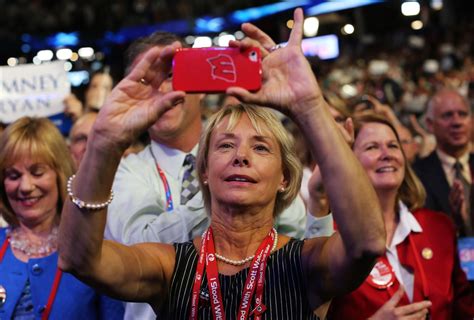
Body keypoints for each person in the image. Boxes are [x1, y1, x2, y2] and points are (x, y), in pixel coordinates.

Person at [58, 9, 385, 319]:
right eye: (225, 145)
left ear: (285, 176)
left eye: (260, 147)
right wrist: (104, 141)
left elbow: (367, 242)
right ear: (202, 170)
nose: (240, 156)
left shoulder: (306, 262)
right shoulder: (169, 265)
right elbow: (79, 259)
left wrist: (309, 106)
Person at [105, 30, 306, 320]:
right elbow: (137, 243)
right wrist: (233, 190)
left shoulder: (245, 156)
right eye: (146, 80)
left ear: (200, 85)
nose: (162, 89)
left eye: (172, 75)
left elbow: (294, 223)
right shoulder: (125, 171)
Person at [327, 113, 474, 320]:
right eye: (372, 147)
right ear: (348, 160)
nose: (387, 154)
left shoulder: (438, 226)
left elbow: (465, 308)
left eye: (393, 146)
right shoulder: (329, 236)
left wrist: (467, 228)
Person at [0, 117, 124, 319]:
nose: (25, 186)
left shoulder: (91, 251)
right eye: (13, 176)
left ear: (59, 173)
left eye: (37, 172)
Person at [412, 88, 473, 236]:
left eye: (462, 114)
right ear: (430, 124)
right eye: (447, 115)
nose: (457, 122)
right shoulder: (415, 175)